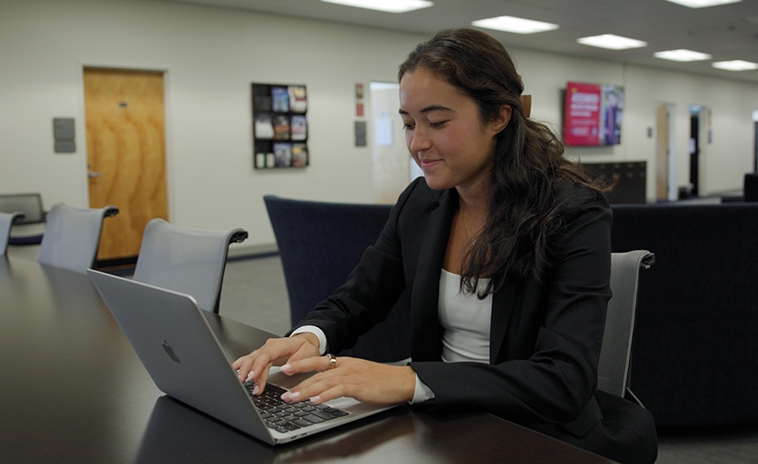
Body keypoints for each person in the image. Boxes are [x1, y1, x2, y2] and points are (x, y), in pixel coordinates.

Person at [234, 28, 657, 463]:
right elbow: (357, 299)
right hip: (442, 419)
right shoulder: (420, 202)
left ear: (499, 118)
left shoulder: (572, 212)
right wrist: (310, 337)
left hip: (534, 430)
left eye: (437, 122)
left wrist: (410, 380)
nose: (417, 143)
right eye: (408, 123)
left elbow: (563, 380)